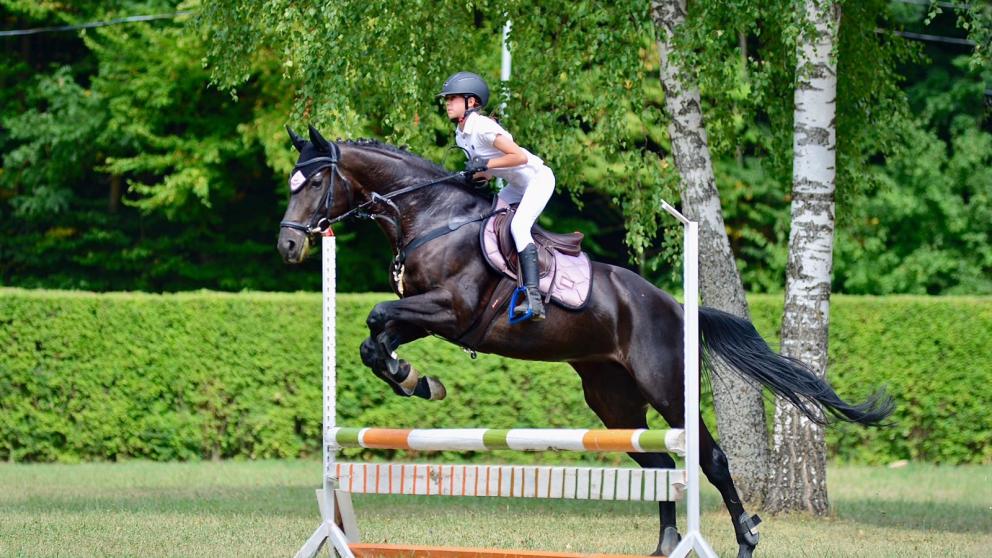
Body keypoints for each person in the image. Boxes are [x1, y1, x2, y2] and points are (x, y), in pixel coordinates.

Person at [437, 71, 554, 322]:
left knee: (519, 226)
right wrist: (477, 175)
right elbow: (490, 170)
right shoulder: (461, 134)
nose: (447, 102)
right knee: (488, 221)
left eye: (453, 98)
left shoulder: (483, 127)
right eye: (447, 99)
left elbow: (519, 157)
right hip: (516, 185)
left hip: (537, 180)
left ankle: (533, 297)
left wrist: (485, 163)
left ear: (471, 102)